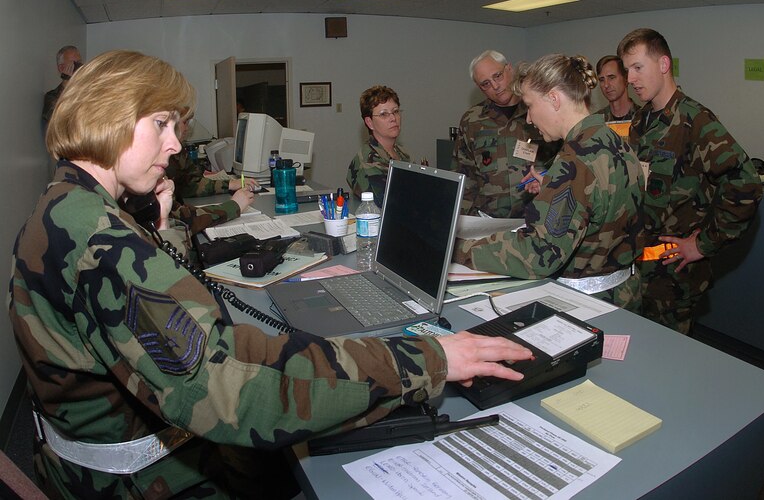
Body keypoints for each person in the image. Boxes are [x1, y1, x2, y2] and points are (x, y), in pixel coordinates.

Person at [9, 50, 533, 499]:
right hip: (137, 481)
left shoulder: (68, 204)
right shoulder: (102, 239)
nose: (174, 145)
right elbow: (233, 396)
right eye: (161, 124)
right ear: (108, 118)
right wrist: (428, 359)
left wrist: (162, 227)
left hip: (88, 453)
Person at [453, 54, 645, 312]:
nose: (529, 119)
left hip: (587, 306)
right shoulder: (614, 141)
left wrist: (458, 248)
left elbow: (540, 254)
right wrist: (552, 186)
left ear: (554, 99)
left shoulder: (573, 163)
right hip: (624, 294)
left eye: (530, 106)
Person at [617, 28, 762, 333]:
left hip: (672, 279)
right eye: (626, 70)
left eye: (637, 68)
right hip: (635, 272)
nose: (629, 79)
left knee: (666, 364)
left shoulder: (696, 121)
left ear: (664, 64)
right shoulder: (641, 122)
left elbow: (746, 184)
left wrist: (703, 244)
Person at [451, 50, 561, 218]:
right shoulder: (472, 121)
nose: (495, 86)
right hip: (489, 222)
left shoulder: (538, 110)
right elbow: (465, 177)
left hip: (537, 215)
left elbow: (564, 162)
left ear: (509, 69)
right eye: (485, 84)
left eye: (498, 76)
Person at [165, 111, 256, 234]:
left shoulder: (176, 152)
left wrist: (229, 184)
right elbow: (185, 220)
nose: (187, 128)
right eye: (185, 122)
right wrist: (234, 206)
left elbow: (190, 184)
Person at [346, 85, 411, 207]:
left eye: (395, 111)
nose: (393, 118)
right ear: (370, 122)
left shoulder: (401, 153)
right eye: (383, 114)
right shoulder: (367, 162)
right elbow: (388, 206)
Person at [42, 45, 82, 123]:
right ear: (61, 68)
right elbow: (53, 118)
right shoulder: (52, 96)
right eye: (74, 64)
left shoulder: (89, 89)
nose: (79, 67)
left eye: (80, 63)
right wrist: (66, 84)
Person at [594, 55, 639, 122]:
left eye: (611, 78)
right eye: (601, 80)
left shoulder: (644, 118)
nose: (606, 85)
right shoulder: (595, 122)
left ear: (626, 79)